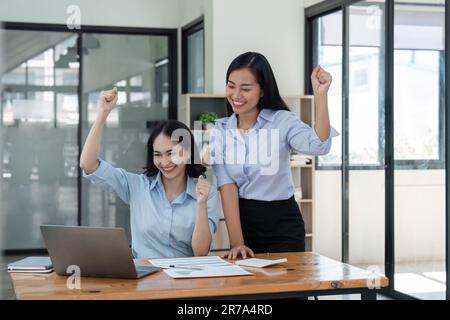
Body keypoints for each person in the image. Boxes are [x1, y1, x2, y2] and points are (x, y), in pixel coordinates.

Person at [210, 52, 339, 259]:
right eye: (231, 85)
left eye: (245, 88)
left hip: (283, 225)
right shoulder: (221, 130)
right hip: (243, 225)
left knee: (289, 291)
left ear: (262, 91)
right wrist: (237, 242)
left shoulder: (282, 121)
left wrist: (321, 95)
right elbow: (227, 187)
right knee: (248, 288)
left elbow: (318, 146)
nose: (235, 94)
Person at [80, 87, 219, 258]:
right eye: (158, 155)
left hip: (185, 279)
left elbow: (201, 251)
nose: (165, 162)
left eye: (171, 153)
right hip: (145, 280)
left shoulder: (207, 193)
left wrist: (201, 205)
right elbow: (87, 164)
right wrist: (103, 113)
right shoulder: (137, 186)